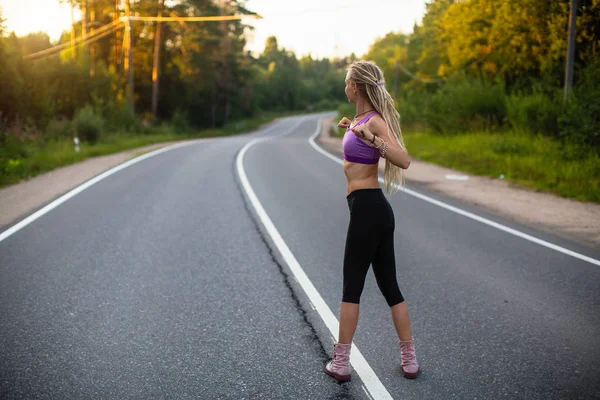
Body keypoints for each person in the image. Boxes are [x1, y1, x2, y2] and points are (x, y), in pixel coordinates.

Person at [324, 60, 419, 382]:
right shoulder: (364, 120)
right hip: (369, 209)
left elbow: (403, 160)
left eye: (347, 82)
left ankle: (340, 362)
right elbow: (362, 145)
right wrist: (353, 129)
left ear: (355, 87)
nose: (345, 86)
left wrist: (372, 139)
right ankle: (409, 357)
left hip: (368, 209)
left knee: (352, 287)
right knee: (389, 286)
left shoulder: (375, 122)